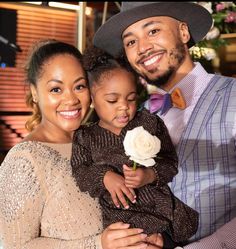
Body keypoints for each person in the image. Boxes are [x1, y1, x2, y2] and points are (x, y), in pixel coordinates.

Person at [93, 1, 236, 248]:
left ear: (183, 32)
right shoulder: (139, 117)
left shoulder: (233, 97)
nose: (143, 48)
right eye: (130, 41)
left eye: (153, 31)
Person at [0, 39, 151, 249]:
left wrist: (144, 236)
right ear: (35, 92)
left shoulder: (100, 139)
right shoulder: (24, 161)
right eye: (56, 89)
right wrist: (96, 244)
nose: (71, 99)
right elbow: (15, 246)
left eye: (79, 86)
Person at [71, 46, 198, 249]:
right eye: (112, 100)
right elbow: (80, 171)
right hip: (120, 213)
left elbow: (170, 162)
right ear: (93, 99)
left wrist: (149, 175)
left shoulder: (149, 123)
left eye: (130, 99)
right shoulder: (85, 136)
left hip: (159, 208)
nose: (124, 106)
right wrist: (104, 176)